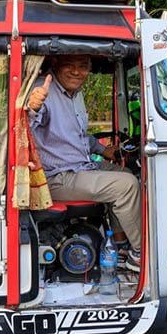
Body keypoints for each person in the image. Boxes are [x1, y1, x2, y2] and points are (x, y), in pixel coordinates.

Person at [27, 54, 142, 271]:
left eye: (83, 66)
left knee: (126, 173)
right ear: (55, 64)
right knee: (125, 186)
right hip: (55, 177)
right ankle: (139, 254)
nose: (77, 72)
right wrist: (32, 107)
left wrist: (103, 150)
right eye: (69, 65)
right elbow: (25, 124)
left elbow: (77, 135)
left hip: (79, 167)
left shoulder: (74, 94)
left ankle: (120, 245)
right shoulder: (43, 90)